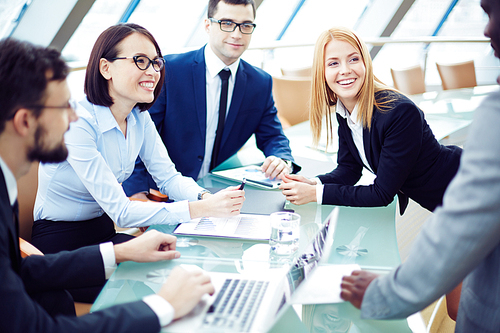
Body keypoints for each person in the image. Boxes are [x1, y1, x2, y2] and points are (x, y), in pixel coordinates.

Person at [0, 37, 214, 333]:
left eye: (155, 62)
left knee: (180, 271)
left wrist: (120, 253)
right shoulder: (83, 124)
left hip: (99, 235)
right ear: (25, 122)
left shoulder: (5, 186)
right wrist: (162, 306)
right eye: (63, 107)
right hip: (61, 239)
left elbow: (20, 270)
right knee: (162, 291)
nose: (72, 116)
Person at [340, 0, 500, 330]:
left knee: (458, 307)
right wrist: (310, 184)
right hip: (455, 202)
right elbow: (348, 168)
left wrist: (385, 293)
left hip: (452, 196)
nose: (487, 29)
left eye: (493, 12)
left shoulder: (399, 112)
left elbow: (453, 231)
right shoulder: (346, 117)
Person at [32, 23, 245, 258]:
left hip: (104, 232)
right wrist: (202, 209)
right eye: (140, 60)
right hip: (61, 245)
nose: (153, 72)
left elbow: (169, 178)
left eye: (155, 62)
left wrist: (206, 197)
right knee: (162, 276)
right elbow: (121, 211)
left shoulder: (138, 117)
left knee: (177, 260)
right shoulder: (77, 123)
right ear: (106, 68)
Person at [123, 0, 299, 199]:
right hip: (161, 192)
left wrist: (281, 160)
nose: (237, 34)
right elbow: (139, 135)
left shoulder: (260, 82)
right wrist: (137, 192)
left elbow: (273, 135)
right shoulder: (169, 72)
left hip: (218, 192)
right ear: (207, 25)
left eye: (246, 25)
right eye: (227, 23)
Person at [278, 27, 462, 215]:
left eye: (353, 59)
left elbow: (381, 194)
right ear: (322, 72)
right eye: (333, 63)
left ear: (365, 63)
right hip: (450, 204)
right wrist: (314, 183)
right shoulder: (345, 111)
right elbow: (348, 169)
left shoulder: (400, 113)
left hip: (473, 189)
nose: (345, 70)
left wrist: (316, 194)